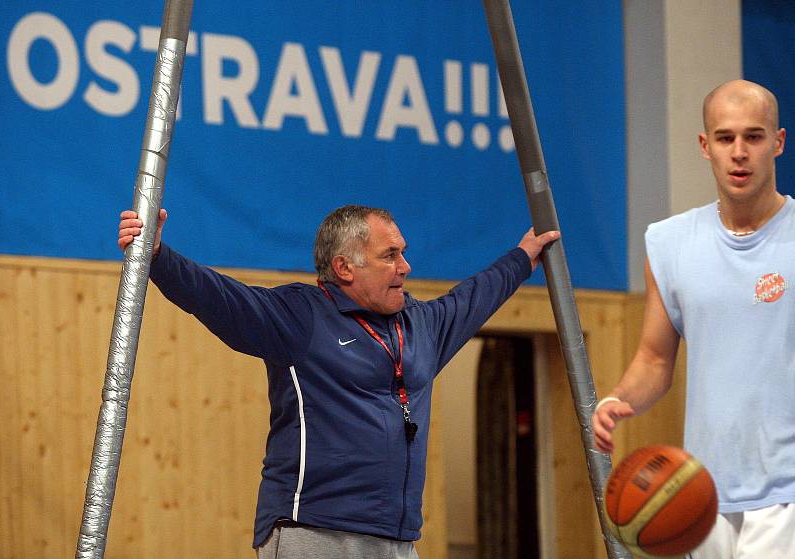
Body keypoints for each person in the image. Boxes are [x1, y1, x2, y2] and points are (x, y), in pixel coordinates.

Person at [118, 204, 558, 558]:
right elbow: (220, 298)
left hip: (398, 540)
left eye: (402, 252)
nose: (405, 266)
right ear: (344, 267)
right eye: (390, 256)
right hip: (314, 532)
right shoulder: (300, 317)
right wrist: (158, 257)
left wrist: (521, 259)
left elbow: (474, 297)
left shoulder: (421, 325)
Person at [592, 79, 795, 558]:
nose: (739, 152)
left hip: (789, 492)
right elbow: (654, 359)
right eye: (726, 138)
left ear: (779, 142)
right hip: (699, 495)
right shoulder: (669, 242)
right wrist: (620, 399)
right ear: (706, 146)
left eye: (754, 136)